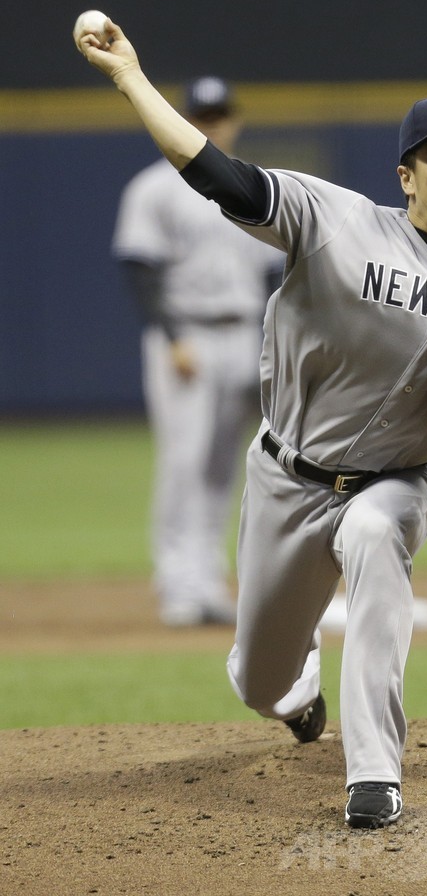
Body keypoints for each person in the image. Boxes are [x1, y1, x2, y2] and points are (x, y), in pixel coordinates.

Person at [76, 18, 427, 829]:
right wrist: (130, 77)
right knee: (259, 682)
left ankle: (374, 774)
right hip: (288, 473)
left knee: (377, 535)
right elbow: (214, 172)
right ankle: (295, 689)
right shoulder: (335, 220)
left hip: (398, 478)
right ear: (405, 177)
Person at [112, 76, 282, 627]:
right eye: (203, 117)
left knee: (224, 464)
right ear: (185, 119)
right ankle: (176, 582)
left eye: (220, 116)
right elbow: (140, 268)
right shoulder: (154, 188)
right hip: (186, 336)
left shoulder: (251, 185)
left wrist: (271, 342)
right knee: (184, 462)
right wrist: (171, 337)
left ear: (235, 120)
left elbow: (272, 273)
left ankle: (206, 579)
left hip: (244, 334)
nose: (213, 125)